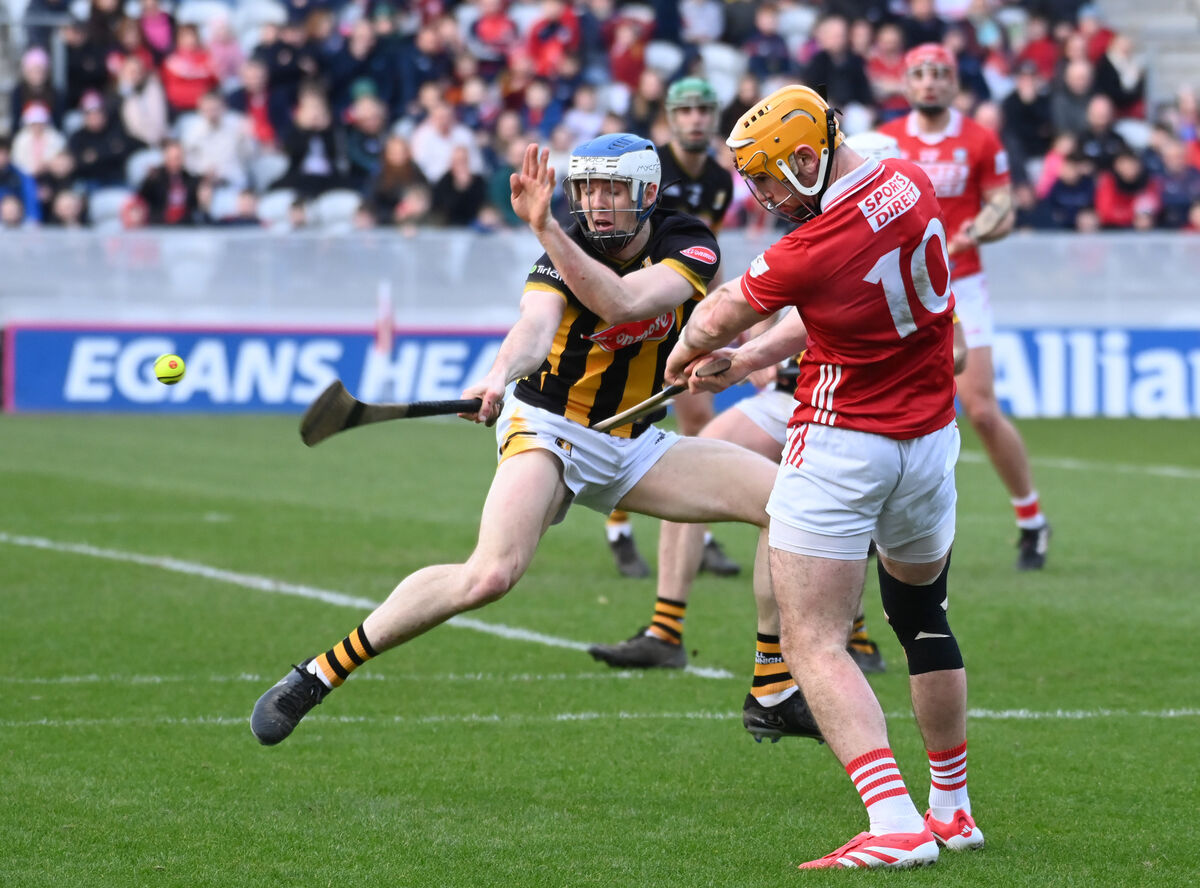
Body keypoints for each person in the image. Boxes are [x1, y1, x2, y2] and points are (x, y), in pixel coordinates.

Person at [251, 133, 818, 748]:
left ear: (647, 192)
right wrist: (499, 374)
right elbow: (534, 328)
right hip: (549, 428)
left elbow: (628, 302)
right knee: (489, 575)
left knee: (786, 507)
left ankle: (772, 689)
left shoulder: (687, 242)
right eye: (588, 190)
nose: (597, 204)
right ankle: (317, 675)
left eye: (612, 190)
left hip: (632, 441)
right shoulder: (560, 247)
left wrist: (723, 351)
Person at [664, 83, 978, 869]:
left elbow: (720, 308)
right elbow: (833, 298)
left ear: (808, 158)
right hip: (929, 441)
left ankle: (894, 822)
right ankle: (951, 809)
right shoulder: (909, 179)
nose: (765, 197)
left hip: (843, 443)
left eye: (769, 179)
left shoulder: (813, 240)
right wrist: (751, 357)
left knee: (810, 639)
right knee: (923, 619)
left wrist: (682, 353)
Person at [589, 131, 969, 677]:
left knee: (823, 521)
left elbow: (951, 347)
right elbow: (794, 310)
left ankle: (836, 642)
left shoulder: (856, 230)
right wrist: (753, 356)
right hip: (813, 400)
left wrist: (706, 349)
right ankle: (667, 629)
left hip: (846, 412)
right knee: (706, 454)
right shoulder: (886, 206)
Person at [879, 44, 1052, 571]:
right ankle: (877, 528)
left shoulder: (980, 139)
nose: (929, 83)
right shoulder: (886, 140)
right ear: (906, 83)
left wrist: (980, 230)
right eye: (919, 74)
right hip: (902, 289)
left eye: (939, 74)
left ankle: (1031, 519)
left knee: (980, 408)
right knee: (886, 409)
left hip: (964, 286)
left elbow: (1004, 209)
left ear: (955, 83)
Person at [600, 77, 740, 580]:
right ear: (669, 117)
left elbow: (709, 253)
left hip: (687, 313)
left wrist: (728, 313)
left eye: (704, 109)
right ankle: (620, 533)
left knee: (698, 420)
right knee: (625, 421)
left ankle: (698, 534)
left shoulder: (721, 180)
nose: (696, 119)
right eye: (686, 111)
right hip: (639, 310)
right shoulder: (649, 170)